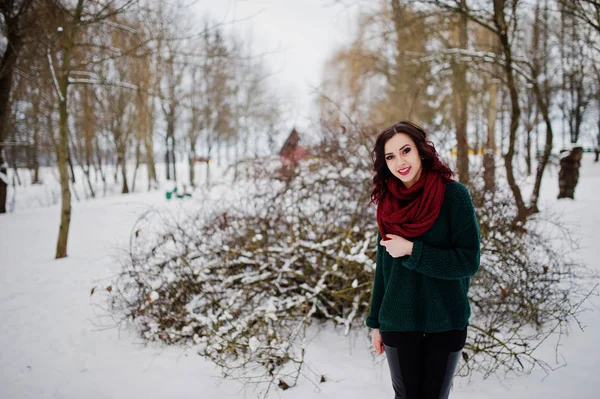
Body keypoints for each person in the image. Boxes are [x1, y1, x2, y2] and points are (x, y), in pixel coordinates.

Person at [366, 120, 480, 399]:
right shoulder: (388, 202)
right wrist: (376, 323)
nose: (399, 162)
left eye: (405, 151)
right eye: (390, 156)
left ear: (421, 150)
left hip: (445, 320)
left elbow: (468, 261)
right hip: (398, 320)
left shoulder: (454, 196)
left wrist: (413, 251)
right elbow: (384, 269)